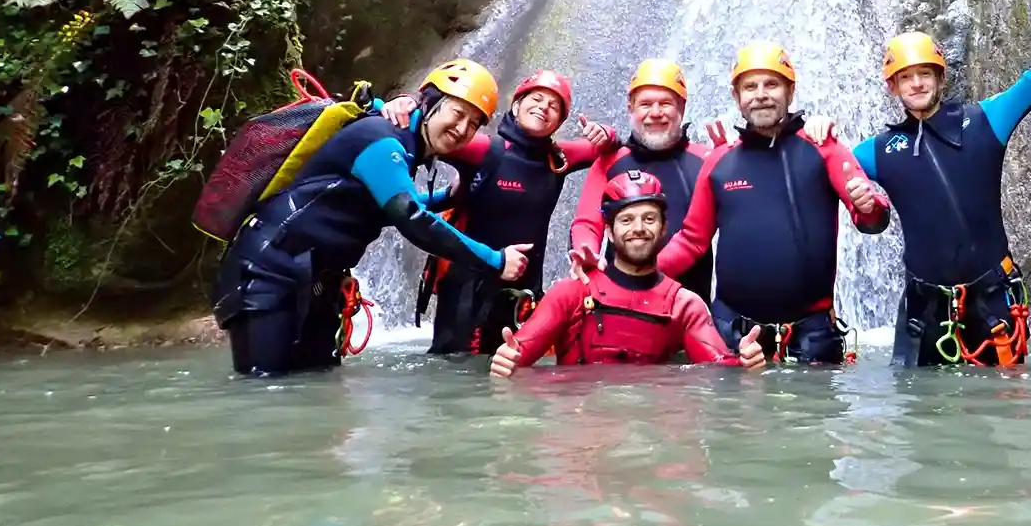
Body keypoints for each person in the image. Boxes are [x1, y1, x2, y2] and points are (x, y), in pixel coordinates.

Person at [212, 59, 523, 377]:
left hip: (315, 280)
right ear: (429, 102)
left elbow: (381, 205)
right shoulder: (382, 139)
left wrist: (445, 197)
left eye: (473, 124)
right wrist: (495, 260)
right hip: (268, 272)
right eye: (457, 114)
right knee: (265, 392)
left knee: (316, 389)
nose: (462, 129)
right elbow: (411, 217)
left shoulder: (403, 144)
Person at [854, 0, 1031, 367]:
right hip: (925, 313)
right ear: (893, 88)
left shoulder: (986, 121)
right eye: (905, 78)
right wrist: (817, 137)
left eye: (924, 74)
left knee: (1003, 421)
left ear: (940, 78)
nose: (916, 84)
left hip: (992, 303)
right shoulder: (877, 151)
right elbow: (824, 173)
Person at [650, 42, 890, 364]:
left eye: (771, 84)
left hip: (811, 337)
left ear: (790, 92)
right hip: (732, 333)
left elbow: (874, 220)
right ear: (737, 98)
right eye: (750, 87)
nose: (760, 94)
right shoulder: (720, 160)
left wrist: (868, 205)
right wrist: (638, 274)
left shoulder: (823, 147)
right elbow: (692, 240)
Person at [382, 68, 616, 356]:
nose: (544, 107)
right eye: (537, 98)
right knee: (456, 378)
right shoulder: (483, 148)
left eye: (554, 106)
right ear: (516, 105)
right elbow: (427, 127)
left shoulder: (560, 158)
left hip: (524, 293)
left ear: (559, 122)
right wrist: (404, 102)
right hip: (468, 292)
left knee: (513, 380)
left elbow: (612, 147)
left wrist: (606, 134)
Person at [489, 170, 765, 375]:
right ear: (608, 230)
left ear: (663, 227)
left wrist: (746, 364)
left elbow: (719, 372)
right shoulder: (571, 294)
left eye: (649, 218)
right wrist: (505, 362)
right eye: (626, 220)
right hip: (581, 432)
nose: (639, 228)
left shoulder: (685, 305)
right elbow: (517, 356)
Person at [568, 59, 716, 303]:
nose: (655, 113)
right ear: (631, 108)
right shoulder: (610, 161)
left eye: (666, 103)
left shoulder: (706, 161)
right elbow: (587, 222)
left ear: (682, 107)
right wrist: (587, 252)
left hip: (686, 311)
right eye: (645, 104)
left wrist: (641, 275)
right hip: (616, 301)